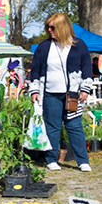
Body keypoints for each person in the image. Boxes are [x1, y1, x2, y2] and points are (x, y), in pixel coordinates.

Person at [29, 12, 92, 172]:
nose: (49, 30)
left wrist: (85, 89)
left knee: (74, 126)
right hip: (50, 93)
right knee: (52, 127)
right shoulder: (44, 47)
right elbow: (35, 70)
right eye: (47, 27)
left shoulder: (79, 46)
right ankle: (51, 159)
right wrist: (34, 90)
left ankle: (83, 161)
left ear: (63, 28)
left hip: (72, 94)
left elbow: (87, 69)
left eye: (53, 27)